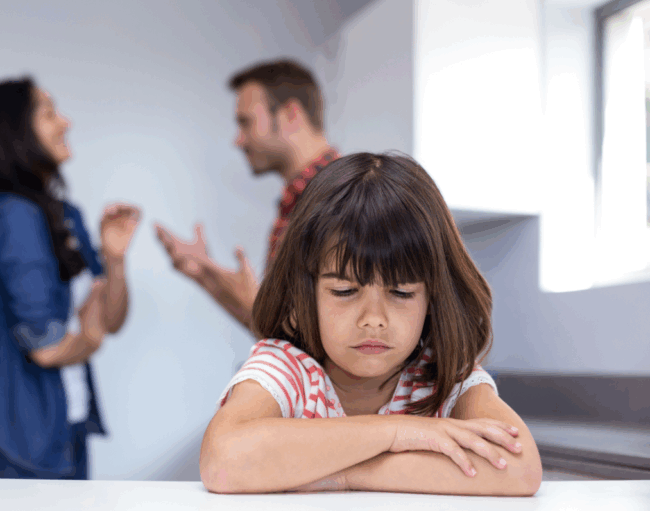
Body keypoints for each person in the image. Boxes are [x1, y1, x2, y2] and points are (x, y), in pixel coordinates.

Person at [199, 153, 543, 496]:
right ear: (306, 292)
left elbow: (520, 467)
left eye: (401, 292)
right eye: (345, 291)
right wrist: (394, 433)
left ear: (433, 298)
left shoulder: (444, 377)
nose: (374, 320)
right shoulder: (287, 369)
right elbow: (223, 461)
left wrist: (349, 473)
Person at [0, 77, 140, 479]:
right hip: (19, 440)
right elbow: (48, 348)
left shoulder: (65, 214)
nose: (66, 122)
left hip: (66, 426)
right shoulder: (11, 217)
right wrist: (90, 338)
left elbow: (111, 319)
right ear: (15, 134)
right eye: (48, 112)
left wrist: (114, 259)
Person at [155, 59, 339, 332]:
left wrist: (252, 301)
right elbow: (279, 337)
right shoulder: (299, 201)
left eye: (246, 123)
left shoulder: (340, 200)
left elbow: (326, 341)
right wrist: (208, 279)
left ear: (290, 115)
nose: (237, 140)